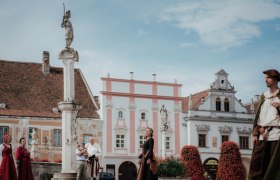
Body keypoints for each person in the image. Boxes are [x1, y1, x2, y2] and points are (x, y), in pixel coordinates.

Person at [249, 69, 280, 180]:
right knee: (255, 163)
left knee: (271, 164)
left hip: (276, 134)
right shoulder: (264, 95)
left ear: (275, 79)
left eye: (268, 77)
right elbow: (258, 115)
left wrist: (279, 107)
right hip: (262, 133)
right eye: (265, 78)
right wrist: (254, 133)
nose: (265, 80)